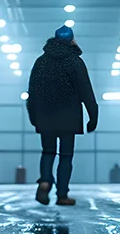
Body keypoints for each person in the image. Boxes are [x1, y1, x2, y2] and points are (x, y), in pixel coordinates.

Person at [26, 25, 98, 206]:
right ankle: (62, 195)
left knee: (48, 152)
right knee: (65, 156)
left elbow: (32, 93)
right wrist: (93, 116)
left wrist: (34, 117)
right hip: (69, 118)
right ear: (72, 40)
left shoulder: (41, 62)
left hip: (45, 117)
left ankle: (44, 182)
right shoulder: (75, 62)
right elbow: (86, 92)